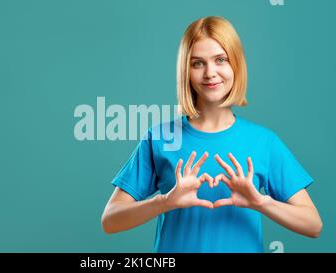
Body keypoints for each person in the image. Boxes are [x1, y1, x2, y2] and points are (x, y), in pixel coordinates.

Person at [101, 16, 322, 253]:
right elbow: (110, 220)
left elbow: (313, 225)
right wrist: (165, 202)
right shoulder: (160, 138)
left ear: (236, 64)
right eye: (197, 63)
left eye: (220, 60)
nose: (210, 73)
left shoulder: (264, 142)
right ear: (186, 71)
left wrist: (260, 202)